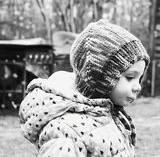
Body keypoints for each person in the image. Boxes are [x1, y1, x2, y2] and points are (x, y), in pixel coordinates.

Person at [19, 19, 149, 156]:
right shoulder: (67, 133)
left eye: (139, 78)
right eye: (130, 77)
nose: (138, 87)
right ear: (99, 77)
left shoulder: (108, 114)